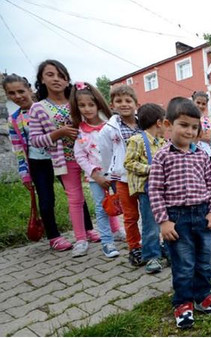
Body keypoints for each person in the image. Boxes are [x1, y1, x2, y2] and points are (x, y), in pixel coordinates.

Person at [148, 97, 211, 329]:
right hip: (176, 218)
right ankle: (183, 303)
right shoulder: (162, 156)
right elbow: (155, 190)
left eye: (194, 127)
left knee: (203, 261)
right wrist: (163, 221)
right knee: (183, 263)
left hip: (202, 217)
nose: (189, 131)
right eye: (184, 125)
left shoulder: (202, 155)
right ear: (168, 125)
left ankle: (202, 298)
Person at [29, 60, 100, 258]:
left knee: (99, 193)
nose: (56, 79)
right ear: (41, 80)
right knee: (75, 198)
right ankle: (80, 239)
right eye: (50, 75)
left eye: (61, 75)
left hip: (89, 156)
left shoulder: (77, 101)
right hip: (64, 160)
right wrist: (57, 133)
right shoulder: (38, 108)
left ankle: (96, 229)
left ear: (68, 79)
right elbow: (34, 140)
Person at [4, 74, 72, 251]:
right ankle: (54, 237)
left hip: (60, 157)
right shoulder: (13, 120)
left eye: (21, 91)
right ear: (7, 95)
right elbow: (18, 148)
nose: (18, 96)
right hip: (37, 163)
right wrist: (24, 173)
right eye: (12, 93)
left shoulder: (45, 107)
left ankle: (87, 229)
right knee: (46, 199)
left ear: (29, 89)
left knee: (73, 193)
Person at [71, 81, 126, 258]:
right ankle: (107, 242)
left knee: (125, 205)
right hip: (96, 179)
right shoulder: (80, 131)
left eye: (91, 104)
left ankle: (129, 235)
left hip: (117, 175)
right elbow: (80, 156)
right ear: (77, 107)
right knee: (101, 209)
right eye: (82, 105)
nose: (87, 109)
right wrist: (95, 174)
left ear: (98, 104)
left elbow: (120, 148)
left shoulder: (111, 126)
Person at [98, 84, 143, 266]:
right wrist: (111, 172)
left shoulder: (143, 123)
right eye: (119, 101)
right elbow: (106, 153)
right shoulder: (109, 129)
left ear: (136, 104)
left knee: (149, 214)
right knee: (131, 216)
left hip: (144, 178)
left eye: (128, 100)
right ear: (112, 105)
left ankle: (152, 245)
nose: (124, 104)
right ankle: (135, 248)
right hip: (123, 179)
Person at [123, 103, 168, 273]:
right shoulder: (137, 140)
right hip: (147, 190)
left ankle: (168, 251)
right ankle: (151, 257)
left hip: (163, 190)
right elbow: (128, 163)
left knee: (167, 222)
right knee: (151, 225)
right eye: (165, 122)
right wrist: (151, 169)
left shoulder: (163, 142)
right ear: (158, 122)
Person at [192, 90, 211, 281]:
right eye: (198, 102)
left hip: (205, 164)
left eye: (204, 103)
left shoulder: (206, 120)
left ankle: (205, 267)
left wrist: (203, 135)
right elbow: (198, 137)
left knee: (204, 233)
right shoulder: (189, 119)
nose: (201, 106)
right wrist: (199, 135)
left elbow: (208, 137)